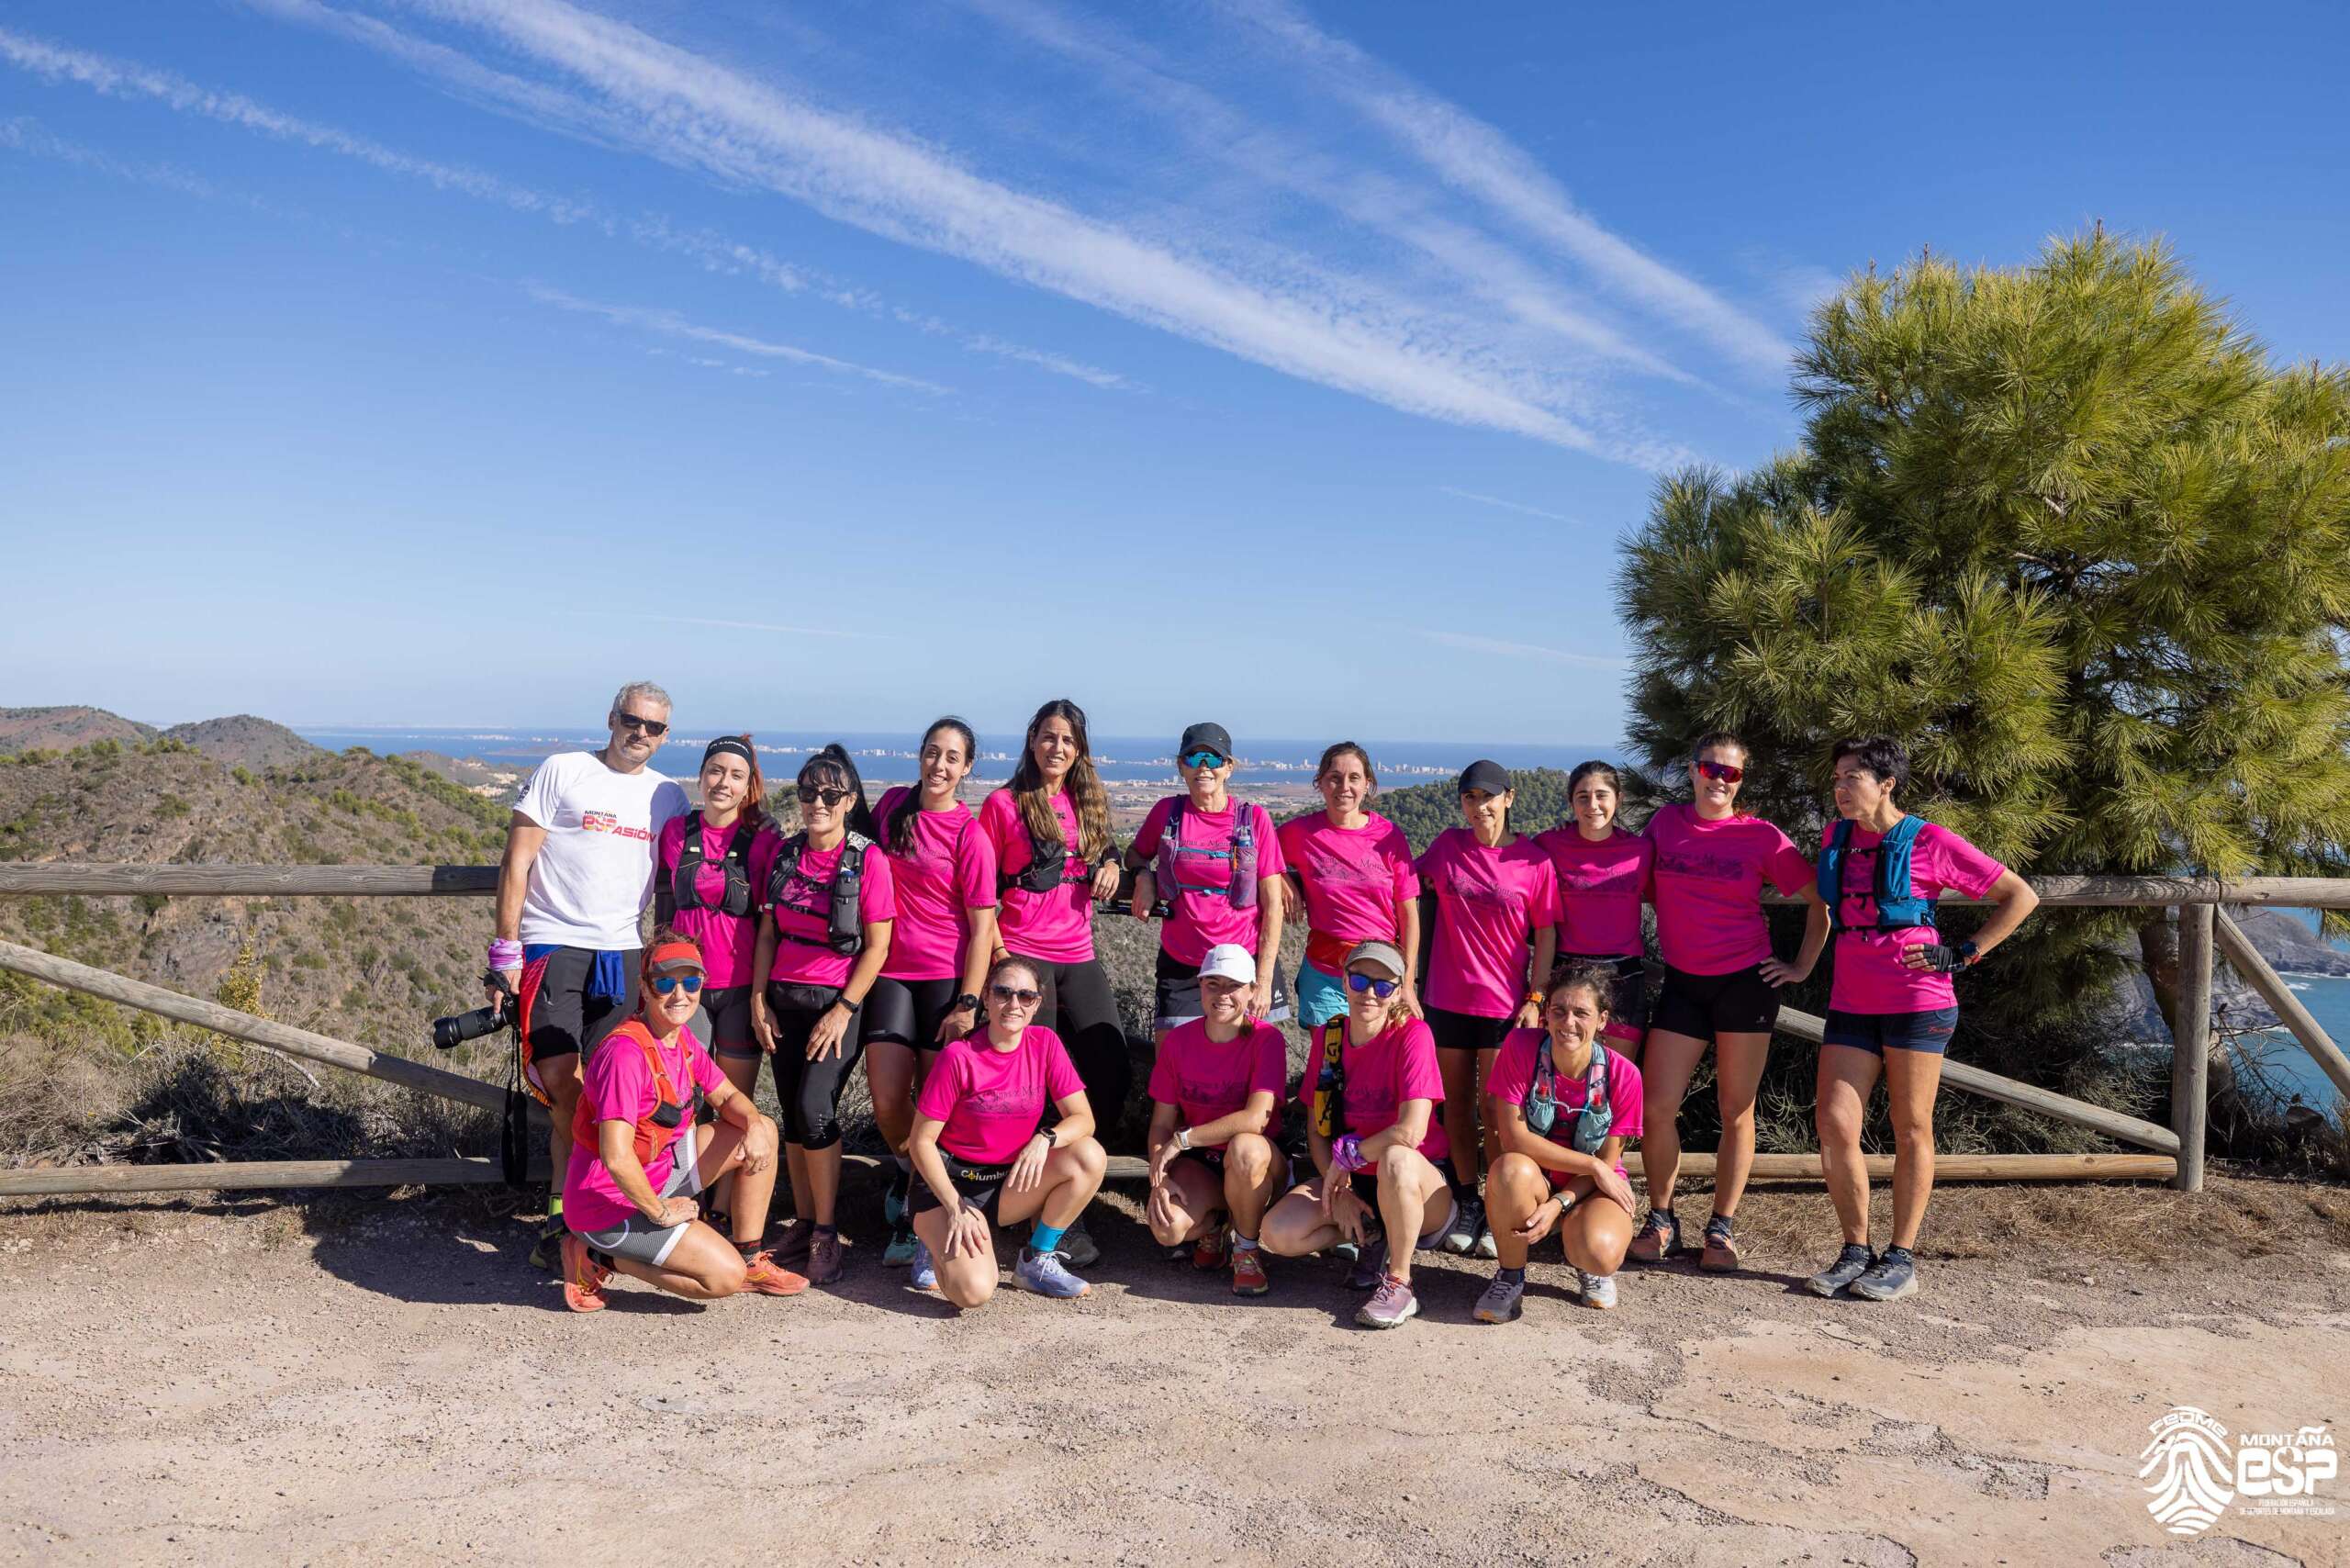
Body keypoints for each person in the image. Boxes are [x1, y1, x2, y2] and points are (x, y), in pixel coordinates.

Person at [1807, 736, 2039, 1303]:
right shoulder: (1836, 837)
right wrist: (1798, 964)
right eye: (1836, 779)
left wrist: (1963, 953)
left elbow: (2020, 896)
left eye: (1851, 778)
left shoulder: (1928, 840)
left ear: (1886, 784)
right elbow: (1822, 907)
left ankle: (1901, 1257)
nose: (1840, 789)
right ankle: (1855, 1251)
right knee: (1835, 1123)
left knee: (1912, 1127)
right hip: (1852, 1000)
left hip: (1918, 999)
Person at [488, 681, 689, 1269]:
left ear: (665, 735)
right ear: (611, 718)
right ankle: (567, 1214)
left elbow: (677, 880)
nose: (641, 734)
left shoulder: (667, 797)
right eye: (633, 720)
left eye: (654, 727)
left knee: (612, 1099)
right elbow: (516, 859)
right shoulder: (564, 770)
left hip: (625, 953)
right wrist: (506, 951)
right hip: (555, 943)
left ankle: (588, 1219)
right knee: (562, 1083)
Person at [1633, 732, 1829, 1273]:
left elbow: (1820, 901)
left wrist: (1801, 966)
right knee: (1657, 1107)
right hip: (1682, 983)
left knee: (1735, 1109)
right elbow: (1636, 881)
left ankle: (1721, 1226)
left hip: (1746, 981)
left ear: (1741, 780)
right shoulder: (1665, 825)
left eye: (1731, 773)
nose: (1719, 779)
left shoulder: (1763, 836)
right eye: (1710, 768)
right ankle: (1661, 1218)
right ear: (1693, 771)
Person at [557, 934, 808, 1311]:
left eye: (691, 983)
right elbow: (615, 1156)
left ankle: (751, 1256)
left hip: (656, 1173)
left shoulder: (680, 1038)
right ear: (644, 987)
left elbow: (726, 1097)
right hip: (608, 1204)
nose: (680, 995)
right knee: (723, 1278)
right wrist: (660, 1213)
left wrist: (754, 1123)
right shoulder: (626, 1055)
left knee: (763, 1131)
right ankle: (594, 1256)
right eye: (665, 983)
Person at [974, 699, 1125, 1267]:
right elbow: (982, 886)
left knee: (1108, 1068)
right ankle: (1048, 1210)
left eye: (1067, 739)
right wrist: (1000, 958)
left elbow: (1096, 850)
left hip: (1077, 952)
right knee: (1032, 1083)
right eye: (1047, 737)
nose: (1056, 748)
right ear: (1031, 741)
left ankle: (1067, 1182)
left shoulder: (1086, 802)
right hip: (1025, 956)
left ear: (1079, 748)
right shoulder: (1003, 804)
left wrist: (1111, 861)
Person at [748, 745, 896, 1287]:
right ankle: (805, 1220)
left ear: (849, 801)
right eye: (808, 792)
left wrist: (844, 1010)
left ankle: (827, 1231)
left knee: (815, 1108)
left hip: (836, 1004)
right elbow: (768, 932)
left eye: (830, 795)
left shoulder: (866, 859)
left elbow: (877, 946)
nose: (817, 803)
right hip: (784, 1000)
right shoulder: (787, 854)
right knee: (791, 1110)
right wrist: (758, 997)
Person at [1259, 941, 1454, 1330]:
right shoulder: (1330, 1038)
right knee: (1277, 1234)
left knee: (1396, 1157)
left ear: (1398, 991)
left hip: (1418, 1183)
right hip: (1356, 1183)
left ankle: (1400, 1282)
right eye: (1361, 980)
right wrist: (1340, 1191)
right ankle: (1374, 1237)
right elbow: (1318, 1129)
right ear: (1344, 981)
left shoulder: (1412, 1035)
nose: (1370, 993)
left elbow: (1411, 1131)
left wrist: (1349, 1158)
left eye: (1383, 986)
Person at [1412, 759, 1561, 1260]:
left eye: (1488, 797)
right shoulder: (1446, 847)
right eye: (1470, 798)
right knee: (1454, 1105)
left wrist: (1537, 998)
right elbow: (1402, 886)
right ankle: (1466, 1199)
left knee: (1499, 1113)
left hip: (1504, 1006)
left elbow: (1546, 933)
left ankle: (1502, 1205)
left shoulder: (1534, 862)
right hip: (1445, 1000)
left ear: (1510, 798)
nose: (1480, 807)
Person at [866, 718, 1000, 1271]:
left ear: (967, 768)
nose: (939, 766)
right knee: (891, 1101)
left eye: (952, 758)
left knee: (937, 1111)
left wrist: (969, 1003)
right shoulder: (893, 806)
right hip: (889, 972)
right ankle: (906, 1173)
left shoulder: (970, 835)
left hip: (945, 980)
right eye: (931, 753)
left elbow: (983, 926)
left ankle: (916, 1219)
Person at [906, 955, 1110, 1307]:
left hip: (1007, 1181)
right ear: (986, 997)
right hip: (951, 1185)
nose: (1013, 1004)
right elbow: (920, 1141)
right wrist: (954, 1206)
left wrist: (1045, 1139)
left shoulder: (1044, 1043)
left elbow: (1083, 1119)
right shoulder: (959, 1056)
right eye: (1003, 993)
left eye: (1025, 997)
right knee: (973, 1293)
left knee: (1089, 1155)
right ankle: (932, 1242)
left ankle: (1036, 1261)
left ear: (1036, 1005)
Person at [1475, 962, 1645, 1322]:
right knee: (1508, 1169)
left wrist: (1560, 1203)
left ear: (1601, 1020)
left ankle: (1584, 1257)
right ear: (1546, 1014)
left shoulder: (1624, 1076)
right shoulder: (1520, 1047)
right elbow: (1513, 1138)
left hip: (1587, 1190)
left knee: (1599, 1252)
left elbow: (1606, 1165)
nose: (1568, 1022)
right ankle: (1510, 1275)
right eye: (1559, 1011)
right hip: (1537, 1178)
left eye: (1581, 1013)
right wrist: (1594, 1165)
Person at [653, 734, 776, 1224]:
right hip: (685, 990)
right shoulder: (676, 832)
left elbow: (770, 920)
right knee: (683, 1103)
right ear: (701, 775)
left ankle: (722, 1211)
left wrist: (762, 995)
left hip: (741, 986)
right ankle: (682, 1202)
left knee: (733, 1107)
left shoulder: (763, 840)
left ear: (749, 785)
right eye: (715, 771)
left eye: (736, 775)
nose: (723, 782)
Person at [1142, 945, 1291, 1296]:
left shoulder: (1266, 1039)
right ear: (1200, 986)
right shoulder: (1178, 1041)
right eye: (1214, 984)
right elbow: (1162, 1123)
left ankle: (1246, 1249)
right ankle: (1216, 1222)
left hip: (1259, 1164)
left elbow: (1256, 1119)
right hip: (1204, 1161)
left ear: (1252, 991)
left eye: (1234, 985)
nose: (1222, 994)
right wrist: (1158, 1178)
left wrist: (1183, 1140)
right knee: (1167, 1229)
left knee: (1244, 1148)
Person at [1126, 722, 1290, 1038]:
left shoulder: (1254, 820)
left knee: (1244, 1066)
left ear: (1228, 768)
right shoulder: (1167, 813)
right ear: (1180, 767)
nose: (1204, 767)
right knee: (1171, 1064)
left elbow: (1273, 906)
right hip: (1182, 962)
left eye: (1213, 759)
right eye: (1193, 758)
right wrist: (1143, 876)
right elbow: (1135, 852)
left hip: (1240, 967)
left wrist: (1264, 980)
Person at [1276, 741, 1422, 1034]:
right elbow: (1257, 852)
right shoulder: (1300, 833)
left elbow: (1409, 916)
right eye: (1334, 777)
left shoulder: (1389, 837)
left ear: (1367, 784)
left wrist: (1407, 985)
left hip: (1380, 977)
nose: (1344, 786)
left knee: (1376, 1067)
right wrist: (1279, 877)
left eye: (1354, 778)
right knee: (1329, 1070)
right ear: (1320, 783)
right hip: (1325, 974)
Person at [1531, 760, 1653, 1059]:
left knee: (1614, 1077)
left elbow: (1679, 892)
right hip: (1566, 976)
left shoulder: (1641, 851)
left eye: (1602, 795)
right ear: (1571, 801)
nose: (1593, 805)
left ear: (1618, 799)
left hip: (1623, 978)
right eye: (1583, 796)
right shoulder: (1548, 844)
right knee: (1562, 1077)